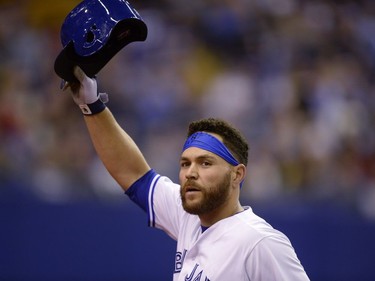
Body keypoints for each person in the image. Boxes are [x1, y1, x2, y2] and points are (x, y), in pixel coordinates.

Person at [63, 66, 310, 280]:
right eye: (185, 163)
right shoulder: (188, 218)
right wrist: (91, 105)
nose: (190, 173)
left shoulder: (259, 242)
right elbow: (132, 173)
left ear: (237, 174)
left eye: (205, 163)